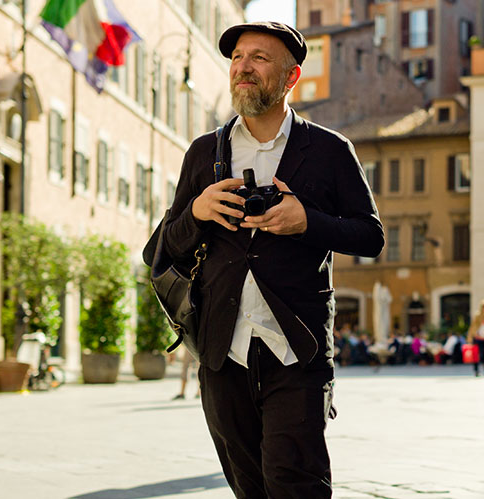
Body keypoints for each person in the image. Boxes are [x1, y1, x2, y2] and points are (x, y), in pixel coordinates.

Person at [156, 21, 383, 498]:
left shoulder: (329, 150)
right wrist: (196, 213)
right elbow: (159, 250)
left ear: (291, 76)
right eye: (238, 57)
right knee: (249, 488)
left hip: (296, 348)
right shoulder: (204, 153)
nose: (243, 67)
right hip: (222, 352)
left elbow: (371, 236)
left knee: (296, 486)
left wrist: (308, 221)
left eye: (259, 58)